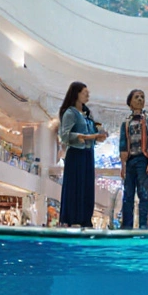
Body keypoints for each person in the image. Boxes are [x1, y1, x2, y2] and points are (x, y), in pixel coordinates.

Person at [57, 81, 104, 227]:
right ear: (76, 94)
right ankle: (72, 218)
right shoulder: (70, 113)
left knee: (87, 186)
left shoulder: (86, 115)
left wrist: (98, 136)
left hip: (88, 153)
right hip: (76, 154)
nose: (88, 95)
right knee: (75, 185)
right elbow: (64, 136)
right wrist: (86, 137)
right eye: (85, 92)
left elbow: (91, 136)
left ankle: (85, 218)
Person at [118, 89, 148, 229]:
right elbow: (123, 145)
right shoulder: (126, 123)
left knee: (143, 193)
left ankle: (143, 225)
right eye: (136, 97)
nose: (140, 99)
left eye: (142, 97)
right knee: (128, 194)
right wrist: (123, 166)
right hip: (130, 161)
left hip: (143, 159)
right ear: (130, 102)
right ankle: (126, 225)